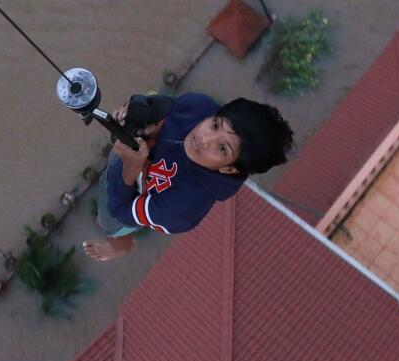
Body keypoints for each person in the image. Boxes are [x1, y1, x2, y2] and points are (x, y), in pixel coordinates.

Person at [82, 92, 293, 261]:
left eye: (222, 148)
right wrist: (136, 113)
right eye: (216, 125)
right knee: (110, 175)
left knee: (109, 223)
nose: (204, 138)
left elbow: (119, 210)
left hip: (133, 196)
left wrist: (130, 167)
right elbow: (158, 102)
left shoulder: (180, 209)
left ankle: (121, 247)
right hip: (131, 159)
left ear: (230, 169)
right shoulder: (198, 106)